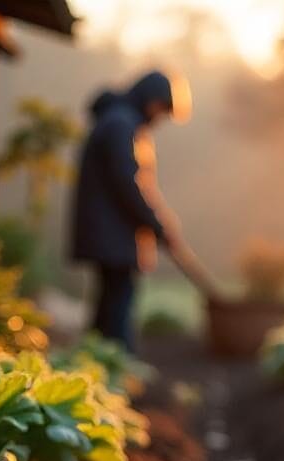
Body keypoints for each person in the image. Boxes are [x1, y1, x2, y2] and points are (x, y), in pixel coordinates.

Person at [70, 70, 192, 351]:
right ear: (152, 100)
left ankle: (99, 366)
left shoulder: (117, 121)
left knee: (108, 304)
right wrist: (157, 225)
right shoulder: (121, 125)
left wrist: (156, 224)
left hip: (109, 233)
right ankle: (120, 369)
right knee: (118, 306)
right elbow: (128, 183)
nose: (160, 118)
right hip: (113, 234)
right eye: (162, 109)